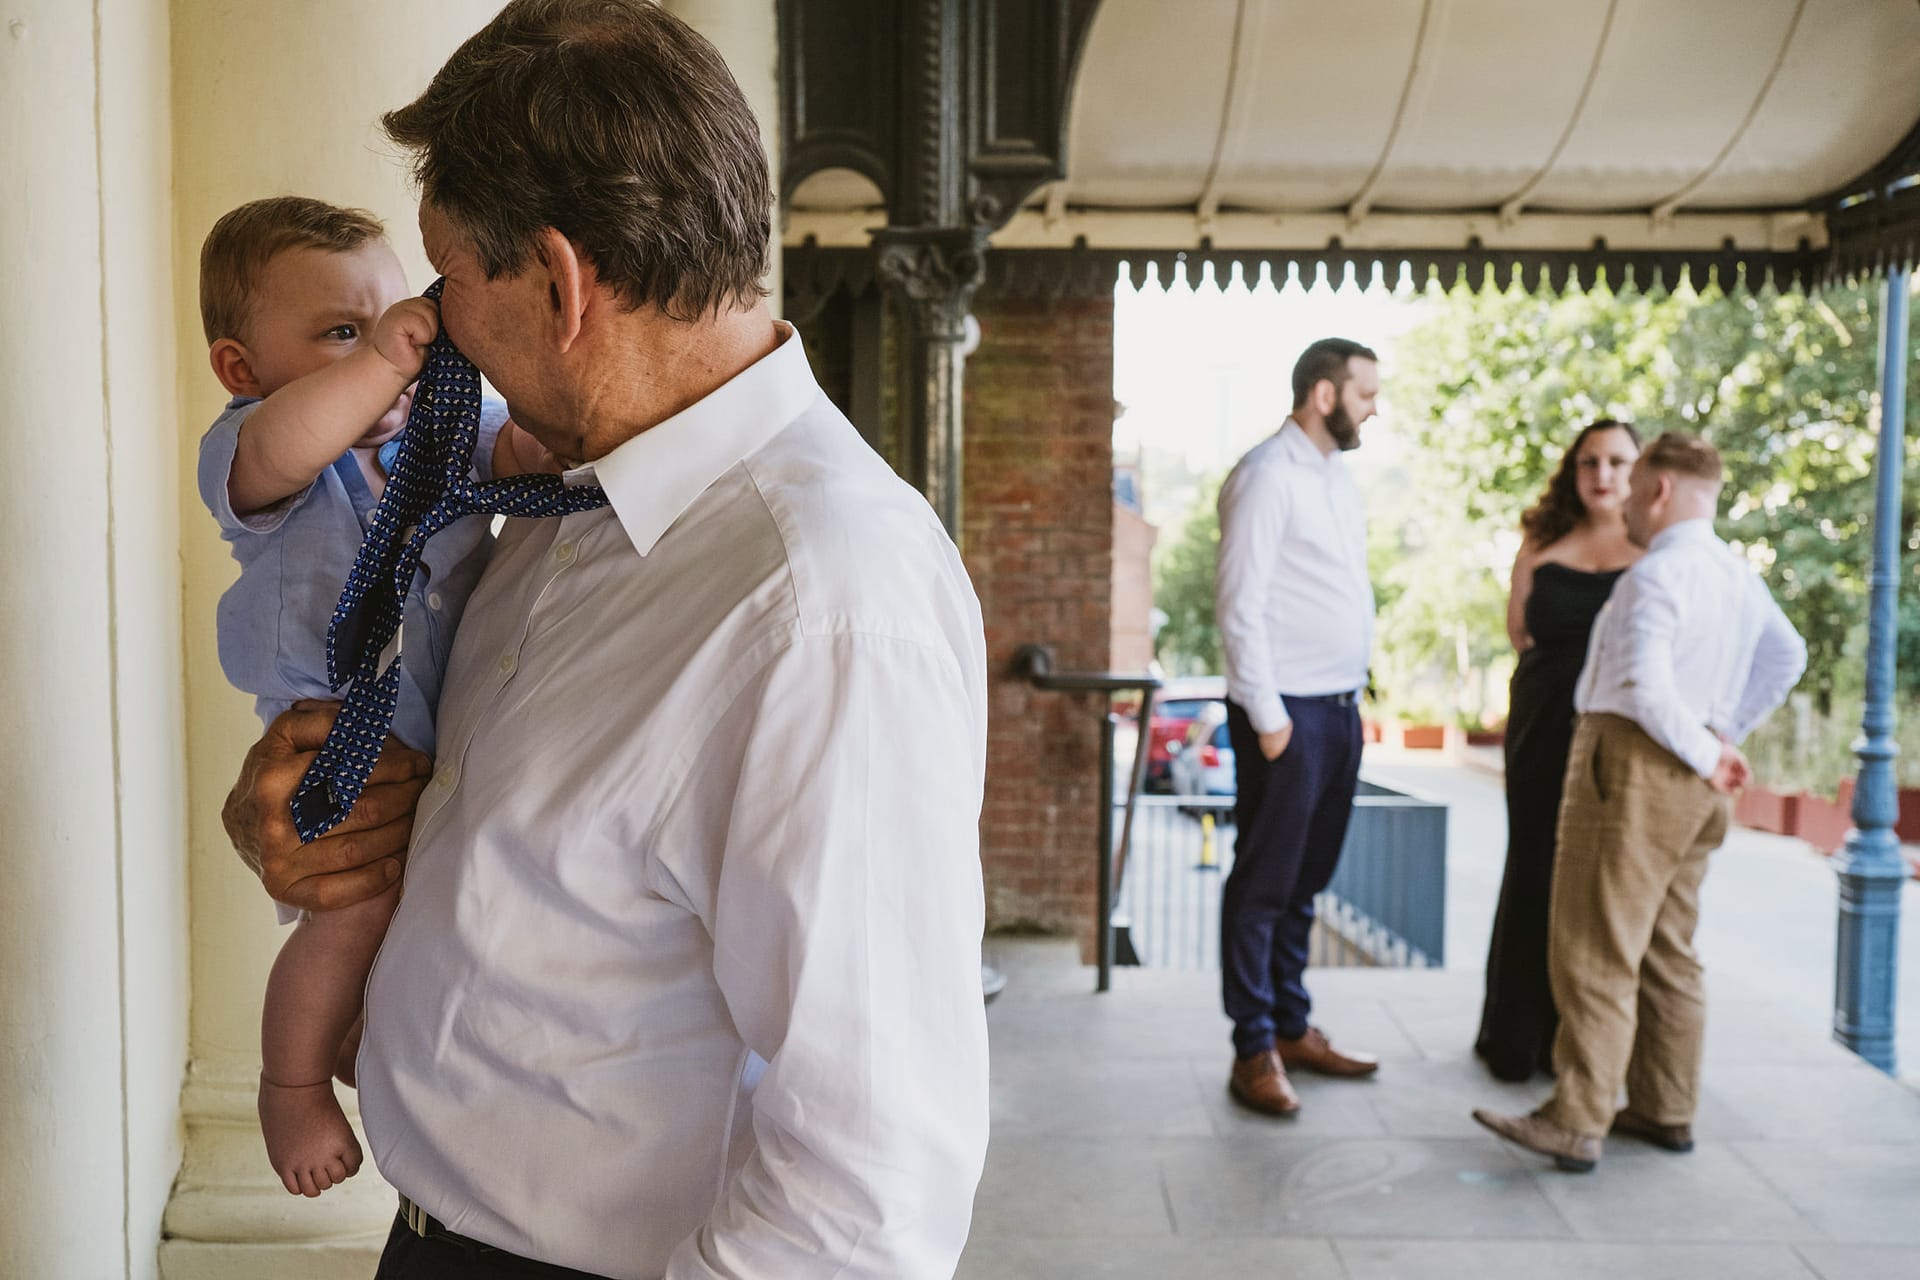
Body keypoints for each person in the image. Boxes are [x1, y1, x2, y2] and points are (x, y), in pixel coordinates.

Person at [218, 3, 992, 1276]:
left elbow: (865, 1198)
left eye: (448, 277)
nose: (435, 320)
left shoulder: (824, 605)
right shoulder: (560, 500)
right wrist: (312, 821)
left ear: (563, 283)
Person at [195, 196, 545, 1197]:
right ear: (241, 368)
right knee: (353, 908)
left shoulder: (431, 434)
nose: (390, 343)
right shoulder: (257, 449)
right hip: (336, 723)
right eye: (340, 331)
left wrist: (534, 450)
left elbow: (511, 455)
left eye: (396, 315)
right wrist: (380, 364)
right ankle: (291, 1083)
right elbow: (291, 443)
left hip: (435, 719)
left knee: (422, 910)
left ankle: (362, 1039)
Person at [1473, 431, 1806, 1172]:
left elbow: (1649, 689)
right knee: (1668, 949)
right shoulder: (1737, 576)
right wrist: (1725, 732)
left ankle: (1576, 1118)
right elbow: (1790, 655)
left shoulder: (1654, 578)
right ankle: (1665, 1107)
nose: (1622, 501)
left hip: (1630, 770)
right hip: (1694, 786)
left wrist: (1704, 747)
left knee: (1594, 947)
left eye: (1633, 485)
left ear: (1658, 490)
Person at [1213, 337, 1383, 1118]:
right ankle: (1252, 1047)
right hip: (1288, 715)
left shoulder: (1335, 480)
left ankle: (1289, 1024)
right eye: (1365, 392)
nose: (1373, 406)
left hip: (1339, 708)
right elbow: (1239, 606)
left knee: (1306, 883)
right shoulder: (1265, 476)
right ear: (1324, 394)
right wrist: (1273, 722)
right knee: (1264, 885)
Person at [1474, 420, 1642, 1082]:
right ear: (1573, 472)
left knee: (1603, 883)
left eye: (1618, 461)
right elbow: (1519, 631)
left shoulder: (1652, 549)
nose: (1603, 474)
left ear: (1639, 471)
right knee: (1534, 868)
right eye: (1589, 462)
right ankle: (1517, 1036)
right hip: (1541, 726)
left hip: (1615, 731)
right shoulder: (1540, 542)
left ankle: (1590, 1047)